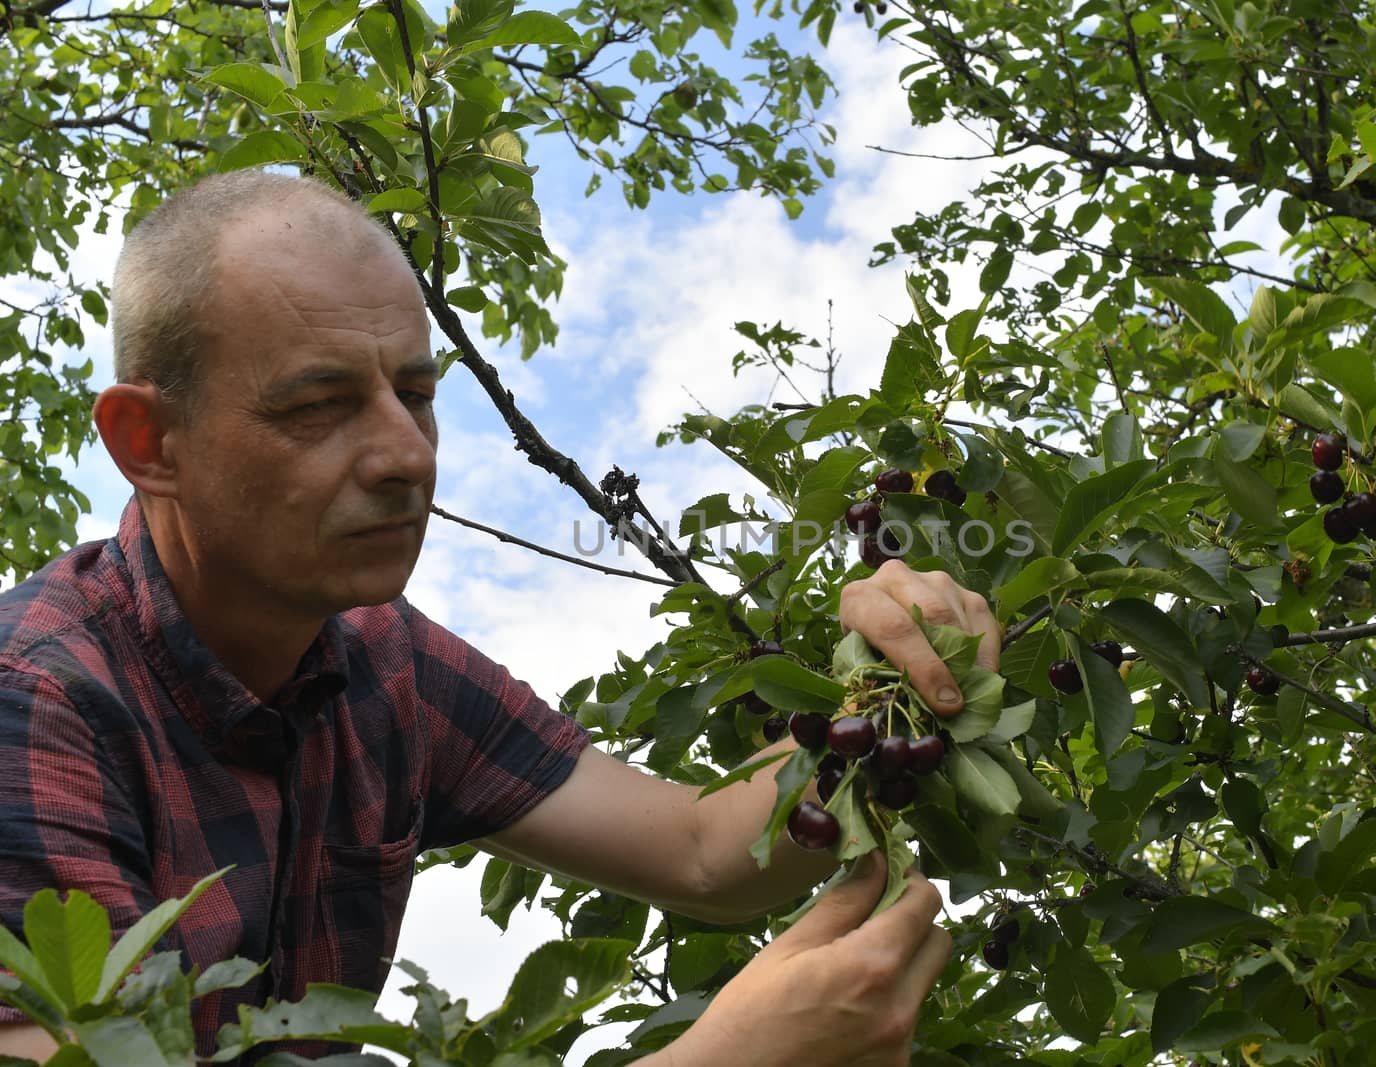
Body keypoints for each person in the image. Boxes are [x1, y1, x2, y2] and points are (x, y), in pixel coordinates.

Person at [0, 171, 1002, 1064]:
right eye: (319, 404)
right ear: (150, 439)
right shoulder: (34, 703)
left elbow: (703, 847)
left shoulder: (383, 665)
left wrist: (884, 680)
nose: (408, 454)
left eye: (416, 392)